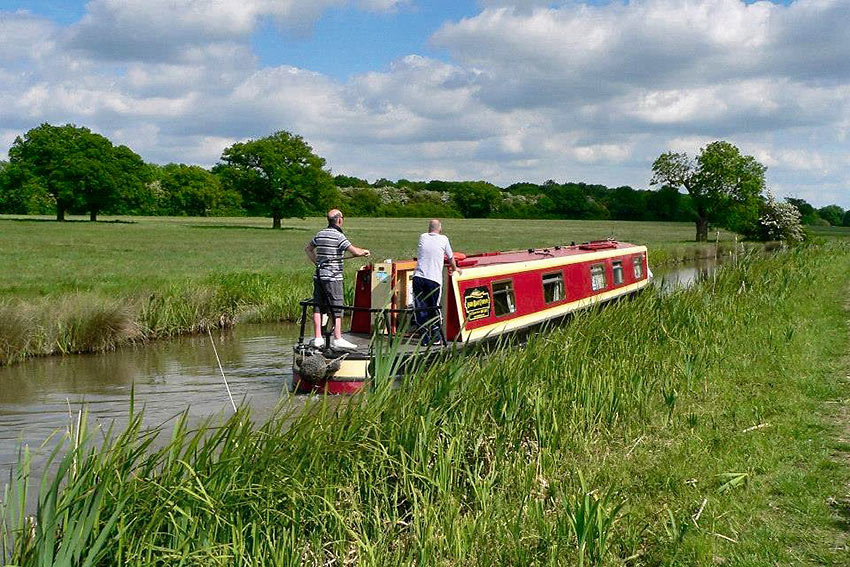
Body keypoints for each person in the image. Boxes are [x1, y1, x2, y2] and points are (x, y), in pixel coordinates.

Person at [305, 209, 370, 350]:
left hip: (319, 276)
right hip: (333, 277)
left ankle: (317, 338)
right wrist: (364, 252)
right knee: (337, 305)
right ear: (339, 219)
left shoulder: (320, 234)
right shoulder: (338, 236)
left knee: (318, 306)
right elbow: (354, 251)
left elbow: (308, 249)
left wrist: (317, 262)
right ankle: (338, 338)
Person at [412, 219, 460, 346]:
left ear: (429, 228)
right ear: (440, 228)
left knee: (420, 308)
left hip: (418, 277)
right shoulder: (444, 239)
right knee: (434, 307)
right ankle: (436, 337)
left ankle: (424, 339)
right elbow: (451, 258)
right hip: (434, 279)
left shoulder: (422, 237)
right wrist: (455, 269)